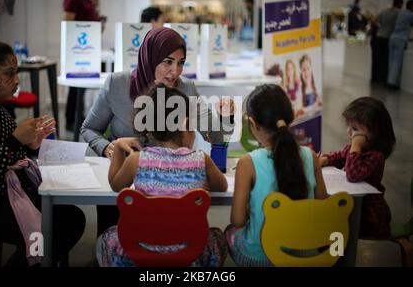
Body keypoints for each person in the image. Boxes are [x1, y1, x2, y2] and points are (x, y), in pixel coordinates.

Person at [81, 27, 234, 236]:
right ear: (149, 58)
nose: (176, 71)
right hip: (123, 173)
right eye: (168, 61)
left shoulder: (186, 88)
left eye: (181, 63)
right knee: (118, 230)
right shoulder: (116, 84)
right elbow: (89, 129)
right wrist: (109, 147)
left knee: (163, 238)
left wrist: (226, 118)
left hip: (169, 180)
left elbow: (215, 137)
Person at [0, 41, 86, 266]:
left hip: (16, 194)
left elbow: (11, 153)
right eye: (9, 73)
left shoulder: (0, 111)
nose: (17, 80)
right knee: (58, 227)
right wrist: (16, 139)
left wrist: (32, 143)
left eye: (16, 72)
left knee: (72, 217)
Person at [96, 85, 228, 267]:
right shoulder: (201, 159)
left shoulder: (136, 160)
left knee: (106, 237)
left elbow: (115, 185)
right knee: (218, 237)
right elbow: (222, 186)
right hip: (190, 253)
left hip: (140, 250)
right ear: (185, 125)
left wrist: (118, 146)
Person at [225, 84, 328, 266]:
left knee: (229, 232)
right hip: (305, 253)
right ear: (291, 118)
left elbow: (238, 220)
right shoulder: (310, 156)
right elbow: (322, 203)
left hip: (261, 258)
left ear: (253, 123)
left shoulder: (248, 163)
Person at [320, 97, 396, 239]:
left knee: (355, 242)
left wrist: (356, 146)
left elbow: (353, 174)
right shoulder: (356, 148)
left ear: (375, 131)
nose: (349, 133)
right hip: (354, 207)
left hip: (369, 216)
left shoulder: (376, 156)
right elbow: (340, 155)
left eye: (355, 129)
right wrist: (325, 160)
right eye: (348, 126)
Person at [63, 0, 106, 132]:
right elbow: (68, 25)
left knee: (80, 87)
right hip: (78, 50)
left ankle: (77, 117)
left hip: (89, 48)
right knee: (75, 86)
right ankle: (70, 120)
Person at [371, 0, 403, 84]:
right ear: (400, 4)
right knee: (386, 61)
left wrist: (380, 26)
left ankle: (376, 79)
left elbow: (373, 20)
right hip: (387, 38)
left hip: (379, 37)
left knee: (378, 60)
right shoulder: (399, 13)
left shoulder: (384, 11)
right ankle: (383, 79)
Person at [387, 0, 413, 90]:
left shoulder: (401, 13)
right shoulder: (410, 15)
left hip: (393, 37)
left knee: (391, 60)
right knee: (397, 62)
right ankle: (392, 83)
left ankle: (389, 80)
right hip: (401, 39)